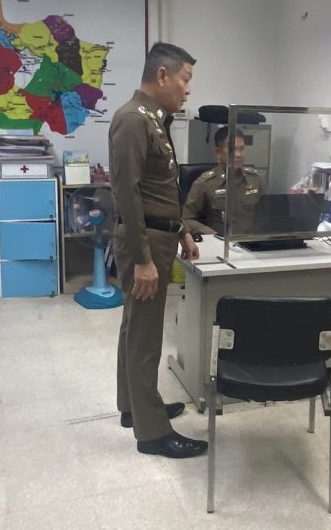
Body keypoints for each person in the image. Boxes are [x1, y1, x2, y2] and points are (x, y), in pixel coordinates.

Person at [109, 42, 206, 459]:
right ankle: (151, 433)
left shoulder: (153, 118)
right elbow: (126, 194)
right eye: (185, 79)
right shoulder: (133, 119)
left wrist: (181, 229)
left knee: (137, 328)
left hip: (159, 236)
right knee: (146, 336)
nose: (188, 89)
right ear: (163, 76)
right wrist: (143, 260)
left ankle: (134, 406)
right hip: (144, 243)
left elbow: (159, 190)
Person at [182, 126, 262, 235]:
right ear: (218, 152)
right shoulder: (206, 183)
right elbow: (186, 218)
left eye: (242, 149)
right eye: (232, 150)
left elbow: (265, 216)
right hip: (220, 241)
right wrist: (210, 233)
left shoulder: (254, 180)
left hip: (250, 242)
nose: (238, 154)